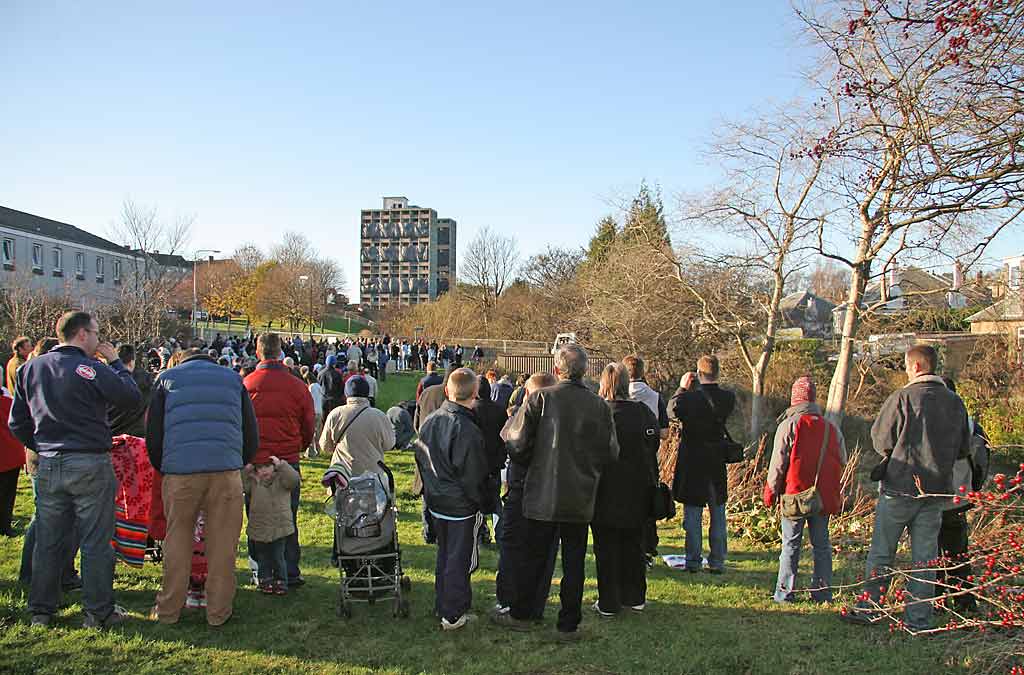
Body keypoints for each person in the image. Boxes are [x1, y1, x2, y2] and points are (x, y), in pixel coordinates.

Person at [10, 311, 141, 628]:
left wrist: (41, 445)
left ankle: (42, 609)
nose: (99, 339)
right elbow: (131, 398)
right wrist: (116, 364)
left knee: (49, 538)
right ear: (82, 334)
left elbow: (17, 422)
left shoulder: (31, 369)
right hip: (89, 461)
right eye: (96, 333)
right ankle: (98, 611)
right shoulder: (91, 369)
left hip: (50, 462)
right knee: (95, 540)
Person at [494, 344, 619, 641]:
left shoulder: (540, 398)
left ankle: (522, 612)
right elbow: (611, 452)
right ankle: (568, 623)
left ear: (556, 369)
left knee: (533, 556)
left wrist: (533, 461)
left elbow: (516, 441)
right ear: (584, 371)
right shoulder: (599, 405)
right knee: (574, 561)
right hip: (580, 492)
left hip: (543, 491)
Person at [842, 345, 971, 632]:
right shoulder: (955, 403)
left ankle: (871, 608)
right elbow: (964, 448)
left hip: (900, 487)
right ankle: (919, 620)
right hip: (937, 490)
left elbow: (880, 440)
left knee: (882, 553)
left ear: (913, 367)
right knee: (925, 559)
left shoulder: (901, 398)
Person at [146, 347, 259, 626]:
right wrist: (236, 461)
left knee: (177, 540)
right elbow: (251, 432)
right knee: (223, 546)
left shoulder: (166, 379)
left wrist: (166, 466)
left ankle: (168, 610)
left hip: (180, 471)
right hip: (225, 470)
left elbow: (154, 433)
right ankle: (218, 612)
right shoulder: (233, 379)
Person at [415, 368, 489, 631]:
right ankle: (453, 612)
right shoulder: (466, 429)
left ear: (447, 390)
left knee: (446, 555)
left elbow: (421, 460)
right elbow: (473, 474)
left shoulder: (431, 421)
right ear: (475, 393)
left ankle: (444, 603)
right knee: (457, 560)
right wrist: (480, 502)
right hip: (458, 504)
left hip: (437, 500)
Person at [763, 376, 846, 604]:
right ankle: (822, 592)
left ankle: (784, 593)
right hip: (822, 497)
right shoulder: (831, 428)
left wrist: (770, 493)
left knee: (791, 544)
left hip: (794, 495)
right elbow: (843, 460)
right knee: (822, 546)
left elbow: (778, 464)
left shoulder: (788, 425)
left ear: (794, 399)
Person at [244, 333, 316, 588]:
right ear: (280, 352)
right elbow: (308, 423)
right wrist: (301, 446)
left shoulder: (247, 384)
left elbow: (240, 424)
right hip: (285, 458)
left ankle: (261, 570)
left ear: (258, 353)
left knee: (257, 516)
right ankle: (289, 569)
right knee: (288, 518)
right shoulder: (296, 385)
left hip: (257, 461)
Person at [591, 363, 659, 616]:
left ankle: (609, 600)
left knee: (606, 546)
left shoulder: (598, 413)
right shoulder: (642, 412)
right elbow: (653, 444)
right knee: (634, 543)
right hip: (637, 485)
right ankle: (635, 595)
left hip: (604, 486)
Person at [494, 371, 558, 618]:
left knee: (513, 545)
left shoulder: (523, 415)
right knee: (544, 549)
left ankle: (508, 599)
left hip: (522, 487)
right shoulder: (561, 419)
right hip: (550, 490)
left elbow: (509, 441)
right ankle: (535, 603)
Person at [667, 354, 735, 574]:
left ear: (698, 373)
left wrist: (682, 388)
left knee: (693, 514)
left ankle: (693, 560)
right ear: (718, 372)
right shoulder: (728, 398)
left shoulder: (688, 400)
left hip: (693, 460)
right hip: (715, 460)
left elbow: (671, 410)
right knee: (718, 513)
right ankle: (717, 561)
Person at [937, 376, 990, 613]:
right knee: (958, 552)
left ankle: (936, 600)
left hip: (931, 496)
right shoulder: (970, 426)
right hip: (960, 497)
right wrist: (973, 488)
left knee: (932, 553)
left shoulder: (930, 423)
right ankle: (964, 602)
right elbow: (981, 463)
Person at [242, 456, 301, 595]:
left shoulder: (281, 479)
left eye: (267, 466)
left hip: (278, 526)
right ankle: (265, 580)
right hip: (260, 526)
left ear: (273, 466)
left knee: (278, 556)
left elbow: (294, 480)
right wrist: (246, 470)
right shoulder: (253, 481)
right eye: (260, 468)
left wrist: (282, 465)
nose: (264, 471)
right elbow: (240, 484)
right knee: (262, 557)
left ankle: (281, 581)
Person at [320, 376, 395, 478]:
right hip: (372, 477)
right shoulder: (379, 416)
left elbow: (325, 446)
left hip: (342, 476)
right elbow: (389, 444)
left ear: (346, 393)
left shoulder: (335, 414)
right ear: (367, 393)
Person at [472, 375, 507, 545]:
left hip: (476, 463)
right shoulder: (499, 410)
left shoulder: (470, 410)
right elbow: (504, 437)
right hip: (494, 462)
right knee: (495, 500)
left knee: (476, 500)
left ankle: (479, 534)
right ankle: (500, 535)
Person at [108, 344, 154, 438]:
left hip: (110, 437)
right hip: (137, 437)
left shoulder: (104, 377)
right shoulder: (146, 381)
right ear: (132, 361)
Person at [0, 384, 24, 535]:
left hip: (9, 455)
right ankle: (4, 525)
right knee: (7, 494)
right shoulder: (8, 402)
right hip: (8, 455)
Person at [306, 371, 324, 458]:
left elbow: (309, 399)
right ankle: (318, 450)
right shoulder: (319, 386)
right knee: (318, 432)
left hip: (313, 411)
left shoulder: (311, 387)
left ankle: (311, 452)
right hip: (319, 411)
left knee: (311, 432)